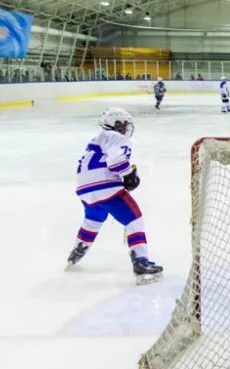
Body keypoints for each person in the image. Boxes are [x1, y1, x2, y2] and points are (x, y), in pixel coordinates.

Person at [67, 108, 163, 284]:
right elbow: (115, 161)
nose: (126, 129)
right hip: (105, 185)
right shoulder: (117, 137)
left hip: (83, 189)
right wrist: (128, 174)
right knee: (134, 219)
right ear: (117, 125)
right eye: (124, 125)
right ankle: (140, 262)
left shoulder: (95, 140)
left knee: (93, 220)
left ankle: (76, 254)